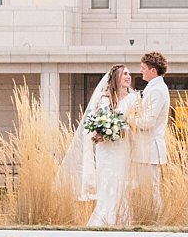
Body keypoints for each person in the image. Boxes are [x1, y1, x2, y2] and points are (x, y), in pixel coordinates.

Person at [58, 64, 139, 228]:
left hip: (123, 147)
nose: (129, 76)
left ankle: (122, 219)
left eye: (129, 74)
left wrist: (122, 130)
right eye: (125, 74)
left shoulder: (133, 98)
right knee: (107, 181)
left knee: (121, 182)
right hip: (105, 148)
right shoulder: (104, 98)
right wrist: (100, 131)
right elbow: (95, 120)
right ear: (116, 77)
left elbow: (134, 122)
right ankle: (104, 219)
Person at [128, 50, 171, 220]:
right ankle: (148, 218)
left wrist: (129, 118)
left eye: (143, 68)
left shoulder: (157, 90)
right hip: (144, 149)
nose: (141, 71)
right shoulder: (154, 88)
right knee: (146, 188)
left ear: (153, 70)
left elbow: (147, 123)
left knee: (151, 189)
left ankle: (155, 220)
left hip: (149, 149)